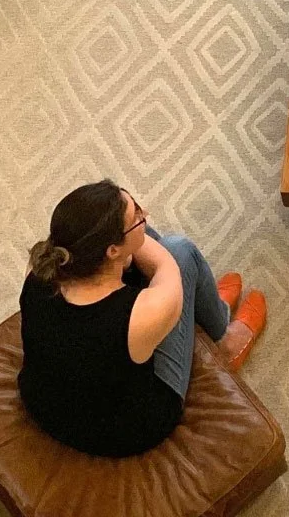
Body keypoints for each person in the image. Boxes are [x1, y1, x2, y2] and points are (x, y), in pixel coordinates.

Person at [16, 181, 267, 457]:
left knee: (149, 238)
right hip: (125, 427)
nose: (144, 213)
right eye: (136, 213)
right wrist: (134, 242)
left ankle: (208, 303)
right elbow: (167, 264)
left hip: (47, 401)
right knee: (180, 250)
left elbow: (132, 245)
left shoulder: (42, 270)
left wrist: (128, 240)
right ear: (111, 251)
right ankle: (224, 337)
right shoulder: (135, 316)